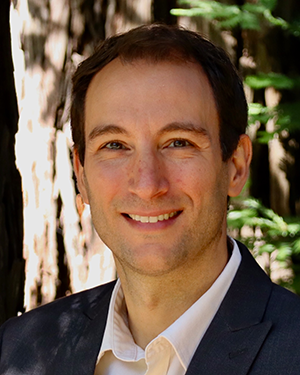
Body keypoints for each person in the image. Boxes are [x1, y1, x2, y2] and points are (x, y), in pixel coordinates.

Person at [1, 23, 300, 375]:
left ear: (235, 166)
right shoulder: (17, 350)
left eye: (178, 143)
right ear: (81, 175)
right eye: (114, 145)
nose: (147, 184)